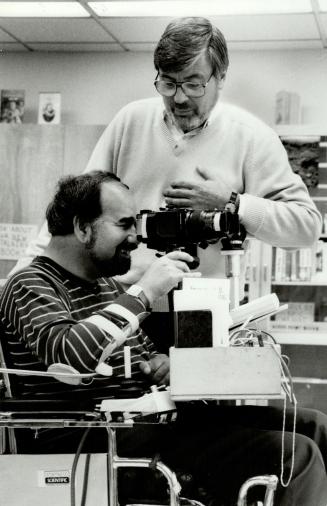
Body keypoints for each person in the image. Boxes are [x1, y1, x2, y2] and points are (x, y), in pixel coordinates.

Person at [1, 171, 327, 506]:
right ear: (83, 228)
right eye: (124, 224)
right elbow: (69, 354)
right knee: (294, 455)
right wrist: (143, 292)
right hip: (98, 442)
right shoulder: (29, 284)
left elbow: (145, 357)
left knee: (313, 426)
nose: (135, 237)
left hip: (152, 425)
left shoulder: (105, 286)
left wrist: (163, 364)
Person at [10, 17, 321, 350]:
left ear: (221, 78)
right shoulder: (130, 121)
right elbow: (76, 210)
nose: (180, 98)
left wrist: (234, 203)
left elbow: (306, 226)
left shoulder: (252, 137)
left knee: (196, 400)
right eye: (168, 83)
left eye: (193, 83)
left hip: (205, 315)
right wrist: (22, 279)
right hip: (125, 305)